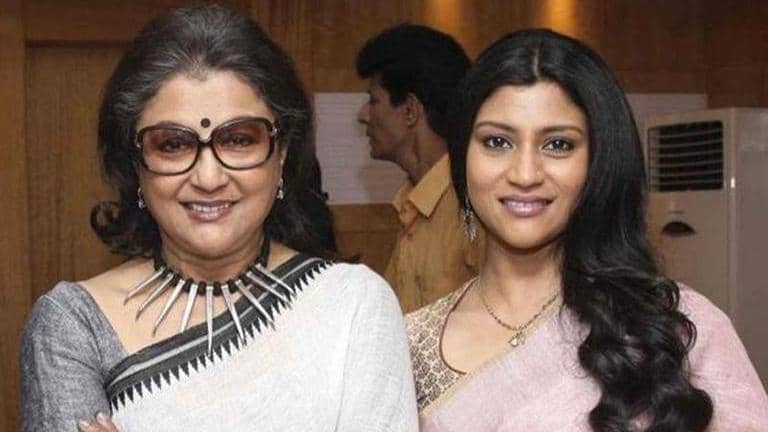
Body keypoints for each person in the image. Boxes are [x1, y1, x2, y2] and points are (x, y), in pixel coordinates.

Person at [20, 5, 417, 432]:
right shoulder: (75, 325)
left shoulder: (354, 304)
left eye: (239, 140)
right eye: (172, 145)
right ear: (134, 162)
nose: (208, 178)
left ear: (282, 153)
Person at [407, 29, 768, 431]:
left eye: (558, 145)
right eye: (497, 141)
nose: (525, 174)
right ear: (462, 158)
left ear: (598, 162)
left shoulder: (674, 329)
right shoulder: (408, 348)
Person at [356, 24, 482, 312]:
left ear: (410, 110)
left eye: (373, 100)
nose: (363, 115)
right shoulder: (412, 206)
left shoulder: (474, 206)